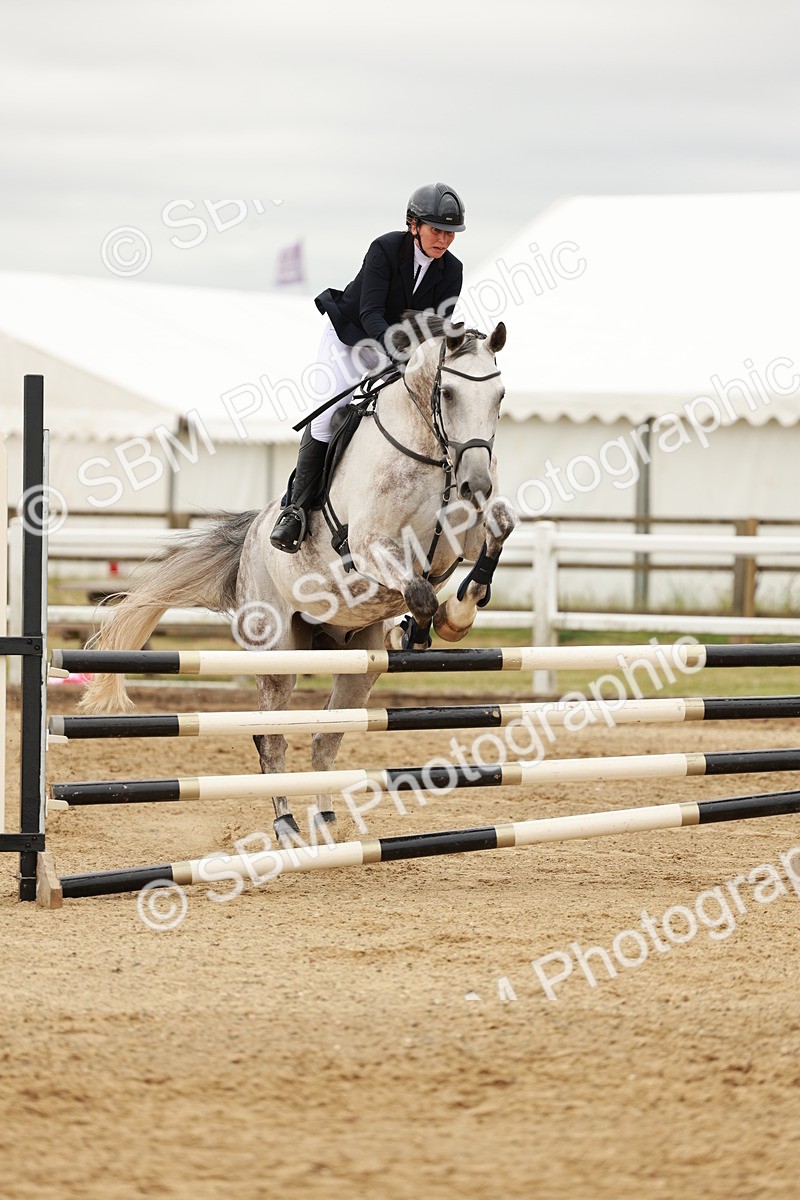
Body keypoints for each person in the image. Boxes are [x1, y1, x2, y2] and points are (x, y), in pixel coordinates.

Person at [269, 182, 466, 553]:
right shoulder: (385, 250)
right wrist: (400, 351)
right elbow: (370, 313)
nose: (443, 240)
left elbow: (434, 327)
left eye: (450, 233)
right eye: (436, 230)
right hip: (351, 337)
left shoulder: (451, 270)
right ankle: (294, 511)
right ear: (414, 225)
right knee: (328, 416)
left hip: (399, 348)